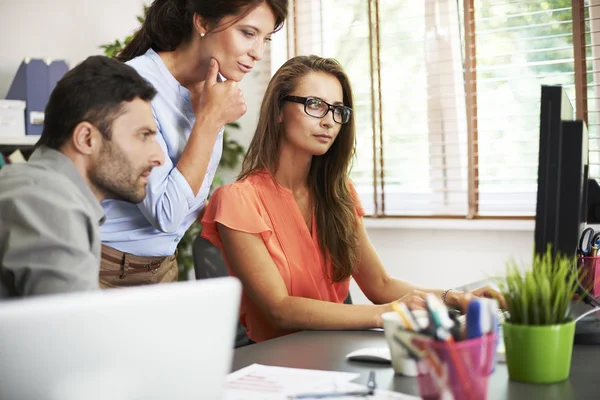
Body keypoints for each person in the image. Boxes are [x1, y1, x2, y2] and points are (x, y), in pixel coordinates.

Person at [200, 55, 504, 343]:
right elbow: (279, 309)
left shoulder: (338, 193)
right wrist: (387, 313)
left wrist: (456, 298)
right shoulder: (238, 200)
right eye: (315, 105)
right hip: (277, 362)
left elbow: (381, 285)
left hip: (339, 352)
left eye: (337, 110)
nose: (329, 121)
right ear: (279, 111)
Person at [99, 0, 289, 288]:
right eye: (248, 33)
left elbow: (191, 198)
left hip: (164, 269)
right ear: (203, 23)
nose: (258, 53)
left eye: (266, 39)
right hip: (105, 273)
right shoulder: (129, 86)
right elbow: (166, 214)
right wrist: (210, 121)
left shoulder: (213, 88)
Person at [0, 56, 164, 298]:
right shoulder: (51, 206)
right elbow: (72, 333)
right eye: (143, 135)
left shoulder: (31, 185)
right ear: (87, 138)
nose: (159, 156)